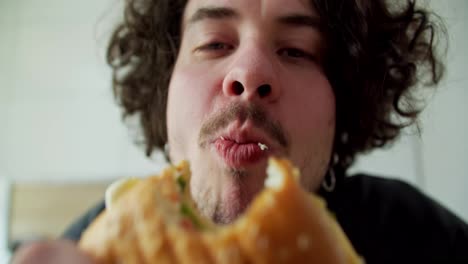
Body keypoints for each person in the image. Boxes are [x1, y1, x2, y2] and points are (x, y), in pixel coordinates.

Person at [11, 0, 468, 263]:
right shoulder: (85, 247)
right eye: (213, 43)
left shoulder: (418, 236)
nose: (249, 74)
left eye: (296, 51)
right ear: (162, 88)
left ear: (343, 105)